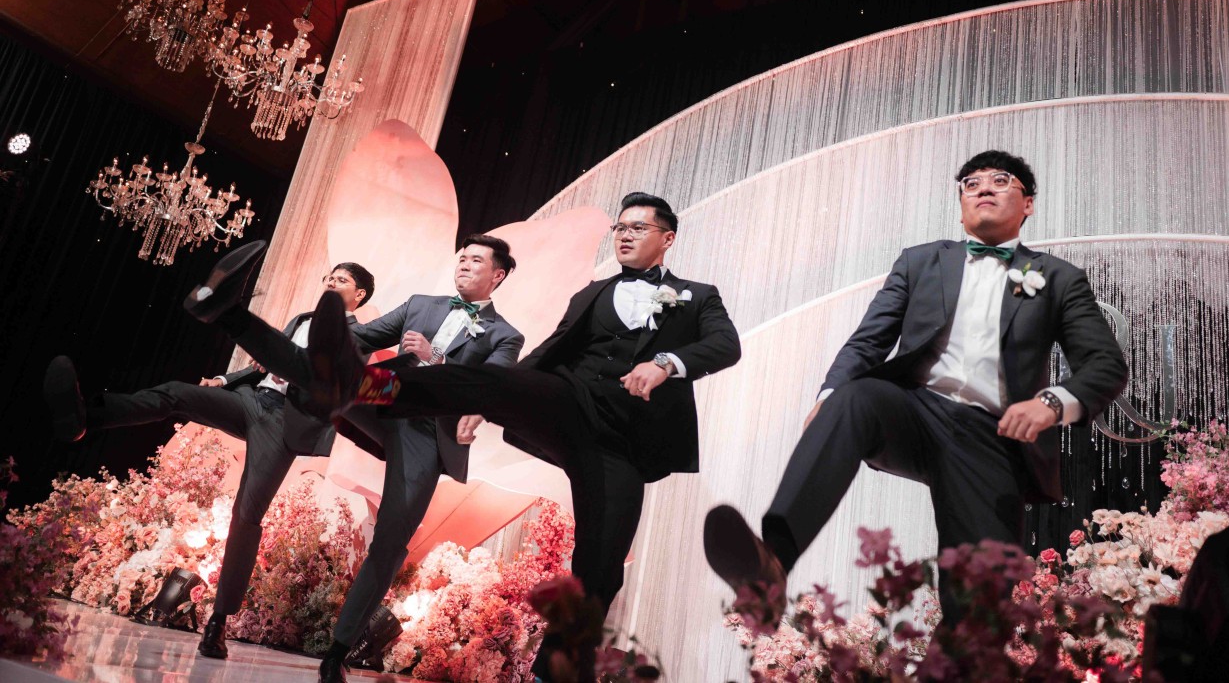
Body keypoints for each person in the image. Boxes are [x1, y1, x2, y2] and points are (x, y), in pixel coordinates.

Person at [302, 192, 741, 679]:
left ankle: (553, 673)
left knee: (601, 563)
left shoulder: (697, 295)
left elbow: (726, 344)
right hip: (570, 402)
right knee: (491, 379)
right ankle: (355, 383)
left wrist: (667, 363)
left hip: (623, 443)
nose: (624, 235)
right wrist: (492, 397)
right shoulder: (592, 294)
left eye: (637, 228)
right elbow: (547, 355)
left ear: (667, 238)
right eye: (619, 227)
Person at [702, 150, 1129, 625]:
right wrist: (828, 398)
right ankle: (771, 568)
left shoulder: (1060, 278)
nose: (983, 188)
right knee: (854, 396)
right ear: (961, 206)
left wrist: (1051, 403)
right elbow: (868, 341)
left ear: (1027, 203)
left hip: (993, 437)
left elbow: (1106, 364)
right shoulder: (920, 261)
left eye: (1000, 180)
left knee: (979, 609)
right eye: (971, 183)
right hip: (915, 411)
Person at [41, 244, 376, 661]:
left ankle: (218, 624)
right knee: (177, 394)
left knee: (246, 515)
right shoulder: (302, 319)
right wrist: (224, 379)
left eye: (341, 280)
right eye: (329, 276)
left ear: (359, 295)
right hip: (252, 401)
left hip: (283, 424)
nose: (331, 283)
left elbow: (335, 384)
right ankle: (84, 419)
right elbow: (264, 364)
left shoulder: (360, 337)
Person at [214, 234, 524, 682]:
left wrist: (435, 357)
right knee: (331, 377)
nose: (463, 264)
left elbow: (487, 386)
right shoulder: (422, 304)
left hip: (429, 425)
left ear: (498, 275)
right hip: (388, 391)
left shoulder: (505, 335)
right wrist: (313, 344)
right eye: (461, 257)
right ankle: (229, 313)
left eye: (475, 260)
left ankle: (337, 654)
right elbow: (361, 335)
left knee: (391, 538)